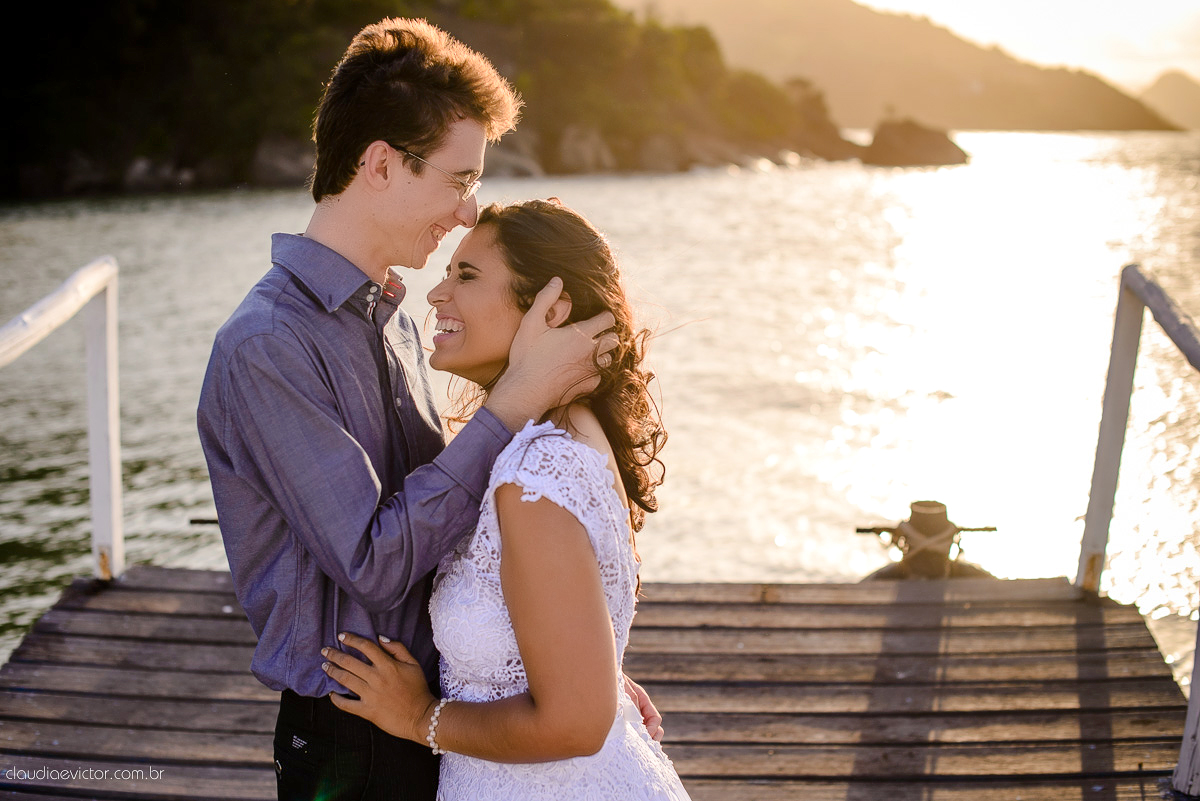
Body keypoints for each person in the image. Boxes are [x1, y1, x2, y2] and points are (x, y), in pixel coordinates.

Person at [196, 18, 656, 801]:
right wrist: (513, 401)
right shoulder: (267, 347)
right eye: (455, 179)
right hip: (351, 734)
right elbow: (375, 563)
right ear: (379, 165)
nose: (467, 211)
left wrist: (578, 664)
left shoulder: (399, 321)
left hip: (441, 712)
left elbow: (454, 527)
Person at [320, 199, 692, 800]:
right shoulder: (568, 433)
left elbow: (574, 721)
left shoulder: (534, 470)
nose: (436, 294)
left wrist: (418, 718)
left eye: (466, 276)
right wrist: (595, 669)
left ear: (552, 309)